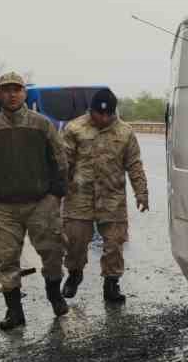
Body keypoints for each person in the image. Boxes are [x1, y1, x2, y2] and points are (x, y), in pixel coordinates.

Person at [0, 71, 69, 329]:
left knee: (52, 252)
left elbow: (60, 160)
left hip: (40, 203)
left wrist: (56, 194)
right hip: (2, 207)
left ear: (24, 93)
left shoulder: (41, 124)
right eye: (6, 90)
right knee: (6, 259)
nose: (12, 94)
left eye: (16, 89)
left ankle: (54, 294)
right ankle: (14, 312)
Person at [60, 88, 149, 304]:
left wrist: (141, 192)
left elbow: (134, 164)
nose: (104, 118)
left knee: (114, 244)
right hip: (79, 197)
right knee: (75, 241)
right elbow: (62, 164)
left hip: (112, 199)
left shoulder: (125, 132)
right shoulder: (74, 129)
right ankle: (74, 274)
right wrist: (55, 193)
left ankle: (111, 284)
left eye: (108, 114)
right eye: (99, 114)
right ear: (91, 110)